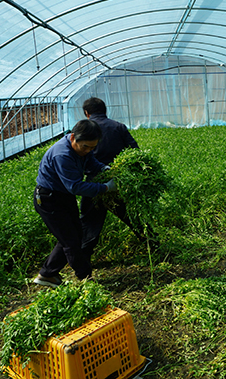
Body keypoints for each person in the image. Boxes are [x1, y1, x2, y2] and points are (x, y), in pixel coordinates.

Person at [33, 119, 115, 287]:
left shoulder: (84, 148)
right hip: (49, 199)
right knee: (71, 241)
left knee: (74, 235)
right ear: (73, 138)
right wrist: (105, 188)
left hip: (63, 197)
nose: (88, 150)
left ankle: (47, 274)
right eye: (85, 146)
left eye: (93, 147)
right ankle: (86, 278)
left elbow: (90, 161)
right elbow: (75, 186)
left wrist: (103, 168)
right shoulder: (62, 155)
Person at [79, 97, 146, 259]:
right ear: (105, 110)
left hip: (93, 184)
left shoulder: (83, 131)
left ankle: (83, 260)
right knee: (132, 217)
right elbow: (135, 152)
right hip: (117, 181)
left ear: (87, 113)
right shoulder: (118, 127)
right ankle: (154, 245)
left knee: (89, 224)